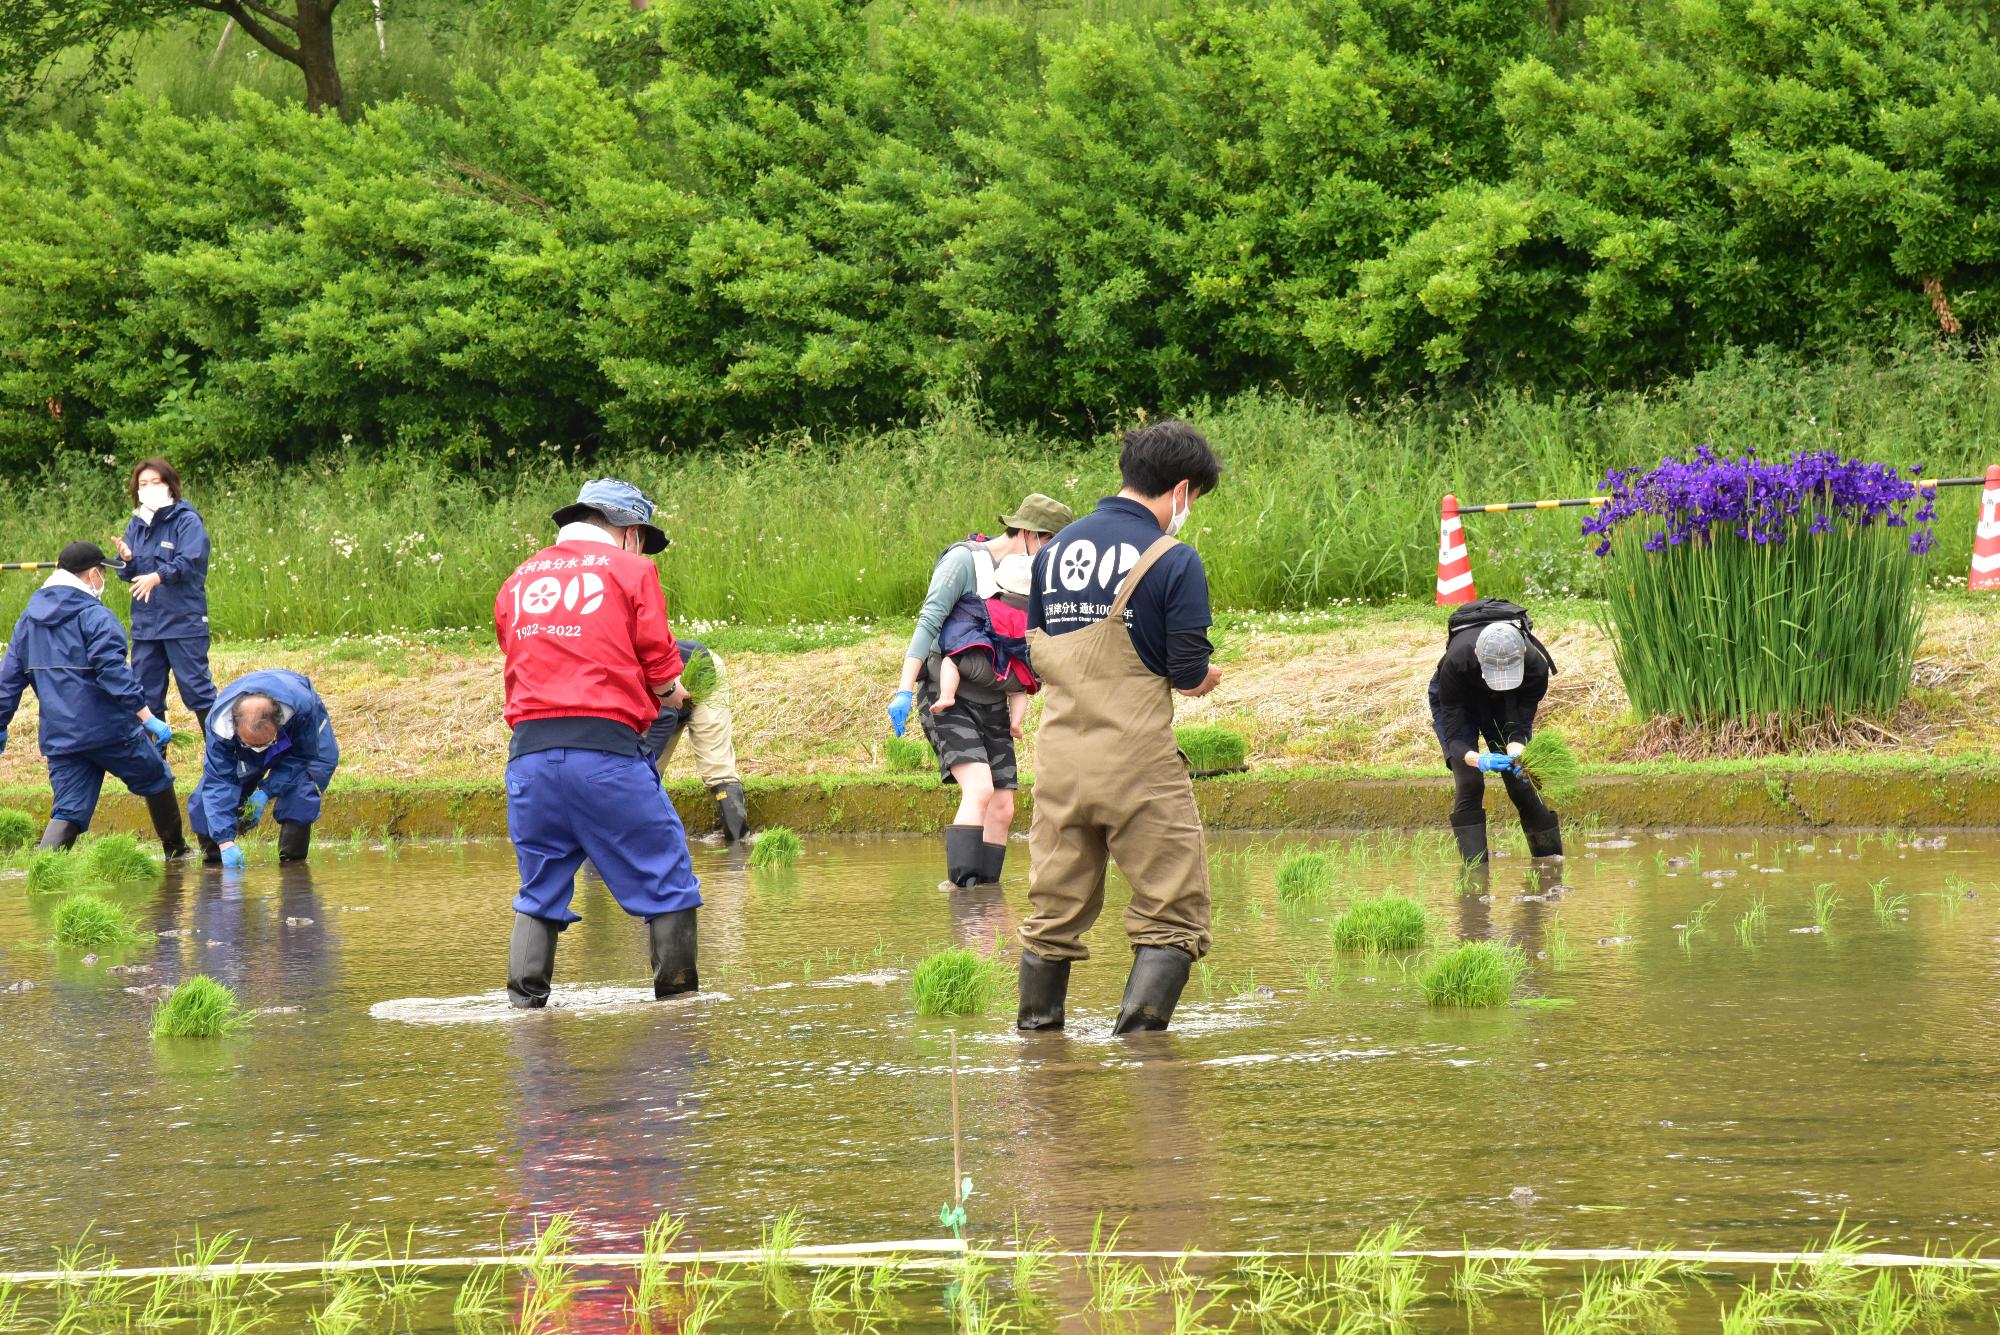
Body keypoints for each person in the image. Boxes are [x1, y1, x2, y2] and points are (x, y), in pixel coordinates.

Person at [1017, 420, 1224, 1035]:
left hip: (1058, 760)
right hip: (1137, 763)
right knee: (1173, 912)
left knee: (1053, 912)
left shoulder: (1053, 550)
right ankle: (1142, 1055)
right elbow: (1186, 671)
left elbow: (1037, 651)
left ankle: (1038, 1050)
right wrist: (1206, 678)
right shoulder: (1173, 557)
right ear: (1181, 490)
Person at [495, 478, 701, 1010]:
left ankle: (525, 1011)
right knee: (668, 876)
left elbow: (517, 653)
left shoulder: (519, 577)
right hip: (605, 754)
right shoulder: (632, 569)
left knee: (540, 888)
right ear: (630, 530)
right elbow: (657, 657)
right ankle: (680, 1012)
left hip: (530, 759)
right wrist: (673, 692)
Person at [888, 494, 1073, 891]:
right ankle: (961, 893)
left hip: (995, 699)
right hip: (947, 692)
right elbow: (929, 621)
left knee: (1004, 808)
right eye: (1051, 544)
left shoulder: (1034, 579)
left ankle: (984, 904)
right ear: (1028, 534)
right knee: (980, 788)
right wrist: (905, 688)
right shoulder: (965, 562)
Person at [0, 542, 185, 855]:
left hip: (61, 736)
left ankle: (43, 875)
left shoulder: (27, 621)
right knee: (157, 778)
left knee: (68, 810)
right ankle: (177, 852)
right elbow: (112, 672)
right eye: (103, 574)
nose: (103, 581)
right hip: (110, 731)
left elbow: (7, 681)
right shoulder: (95, 616)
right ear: (92, 575)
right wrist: (147, 717)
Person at [1427, 600, 1561, 865]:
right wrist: (1479, 759)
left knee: (1521, 783)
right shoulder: (1456, 662)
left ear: (1522, 653)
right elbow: (1455, 738)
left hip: (1506, 702)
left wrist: (1517, 752)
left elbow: (1519, 725)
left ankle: (1551, 865)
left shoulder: (1535, 668)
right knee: (1470, 782)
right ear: (1477, 654)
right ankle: (1475, 875)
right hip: (1461, 700)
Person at [189, 669, 340, 868]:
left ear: (278, 724)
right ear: (235, 727)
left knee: (301, 791)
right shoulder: (220, 727)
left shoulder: (301, 709)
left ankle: (293, 870)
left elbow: (302, 756)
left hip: (298, 741)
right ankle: (216, 864)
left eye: (264, 743)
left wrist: (266, 791)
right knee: (204, 800)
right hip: (244, 749)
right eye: (251, 744)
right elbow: (219, 781)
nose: (259, 750)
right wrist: (225, 842)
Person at [112, 458, 216, 738]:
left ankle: (224, 764)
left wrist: (157, 576)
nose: (148, 488)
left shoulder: (187, 520)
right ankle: (156, 773)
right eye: (142, 484)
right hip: (147, 627)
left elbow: (189, 561)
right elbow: (126, 573)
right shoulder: (137, 525)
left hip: (182, 621)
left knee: (197, 691)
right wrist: (127, 560)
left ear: (170, 484)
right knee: (146, 696)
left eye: (155, 482)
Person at [641, 638, 751, 844]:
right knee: (645, 774)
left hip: (701, 674)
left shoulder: (625, 662)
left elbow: (665, 717)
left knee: (716, 765)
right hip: (661, 700)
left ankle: (738, 847)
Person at [929, 551, 1038, 740]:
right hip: (1018, 673)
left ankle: (947, 694)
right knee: (1018, 693)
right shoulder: (1031, 614)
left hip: (991, 662)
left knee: (951, 661)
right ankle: (1016, 722)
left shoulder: (994, 603)